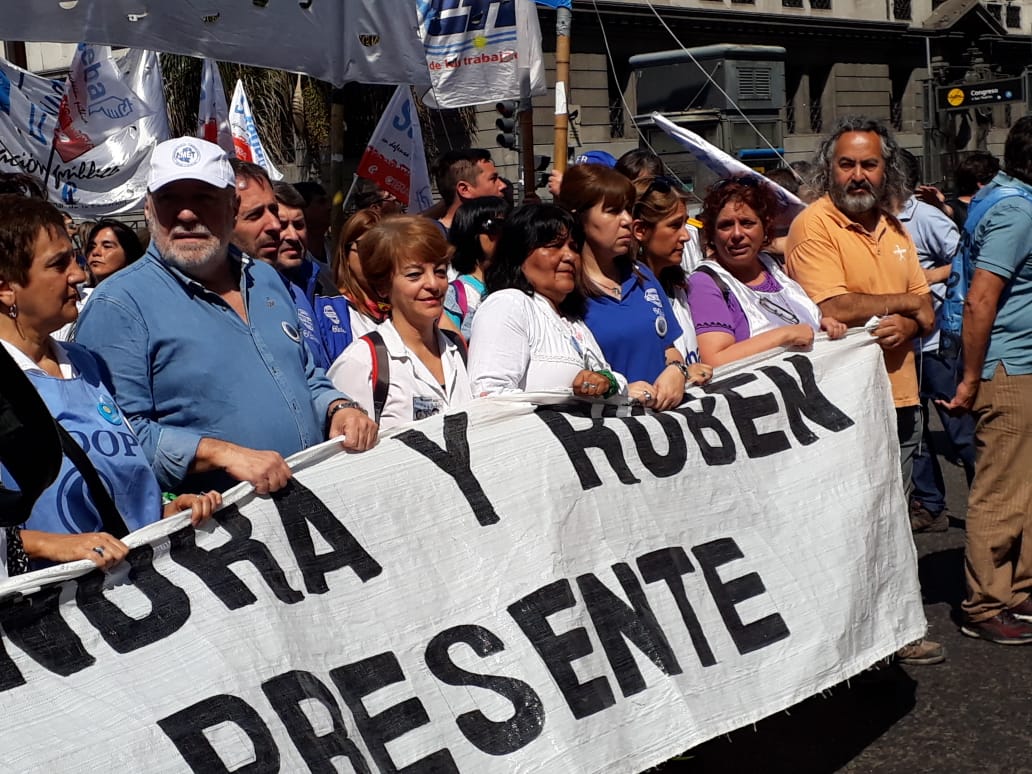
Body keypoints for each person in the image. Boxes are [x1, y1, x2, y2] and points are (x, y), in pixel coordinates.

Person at [75, 137, 377, 496]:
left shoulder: (265, 279)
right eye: (170, 199)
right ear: (148, 209)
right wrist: (219, 453)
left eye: (203, 198)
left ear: (232, 207)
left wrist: (338, 408)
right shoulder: (118, 305)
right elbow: (113, 438)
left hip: (310, 502)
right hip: (220, 524)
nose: (186, 214)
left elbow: (305, 374)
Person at [784, 116, 940, 666]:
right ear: (828, 169)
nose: (857, 175)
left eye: (868, 164)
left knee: (893, 518)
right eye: (846, 164)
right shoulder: (814, 225)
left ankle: (895, 628)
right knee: (854, 522)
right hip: (844, 405)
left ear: (885, 169)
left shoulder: (895, 229)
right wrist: (906, 305)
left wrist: (912, 321)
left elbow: (927, 308)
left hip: (900, 394)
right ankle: (860, 639)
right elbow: (835, 306)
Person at [0, 194, 220, 573]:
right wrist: (46, 545)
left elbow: (112, 481)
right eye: (58, 264)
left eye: (75, 258)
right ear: (5, 288)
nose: (78, 274)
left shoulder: (87, 364)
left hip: (138, 588)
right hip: (54, 602)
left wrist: (163, 513)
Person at [940, 117, 1032, 644]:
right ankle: (985, 605)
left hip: (1017, 364)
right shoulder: (1017, 211)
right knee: (1000, 490)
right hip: (1008, 368)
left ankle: (1017, 589)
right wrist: (972, 379)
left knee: (1024, 487)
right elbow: (980, 299)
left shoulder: (1002, 197)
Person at [468, 203, 656, 403]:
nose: (569, 256)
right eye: (554, 246)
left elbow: (607, 378)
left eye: (574, 247)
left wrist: (606, 383)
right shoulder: (507, 305)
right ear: (519, 254)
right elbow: (489, 397)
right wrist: (568, 396)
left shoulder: (574, 322)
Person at [558, 163, 705, 411]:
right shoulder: (565, 291)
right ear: (579, 217)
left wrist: (677, 371)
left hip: (664, 424)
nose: (627, 220)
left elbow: (668, 349)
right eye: (613, 211)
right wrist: (619, 390)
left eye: (627, 209)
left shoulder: (642, 276)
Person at [328, 217, 473, 430]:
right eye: (414, 275)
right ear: (383, 286)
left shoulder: (458, 349)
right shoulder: (361, 363)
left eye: (440, 271)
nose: (433, 284)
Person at [895, 151, 974, 533]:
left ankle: (991, 506)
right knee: (913, 433)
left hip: (938, 344)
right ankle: (930, 506)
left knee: (960, 431)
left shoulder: (925, 217)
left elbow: (966, 259)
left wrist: (927, 278)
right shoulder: (869, 222)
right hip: (898, 350)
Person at [687, 177, 846, 365]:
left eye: (747, 223)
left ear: (765, 227)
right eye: (726, 225)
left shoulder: (775, 267)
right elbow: (715, 360)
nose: (737, 234)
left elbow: (797, 324)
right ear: (712, 233)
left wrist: (820, 326)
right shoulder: (705, 283)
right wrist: (785, 335)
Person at [630, 174, 704, 365]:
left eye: (685, 223)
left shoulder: (680, 288)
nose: (686, 236)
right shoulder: (626, 300)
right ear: (640, 230)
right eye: (674, 225)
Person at [443, 196, 511, 340]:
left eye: (509, 225)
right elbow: (453, 346)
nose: (504, 233)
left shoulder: (521, 284)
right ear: (470, 232)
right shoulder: (456, 294)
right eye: (495, 225)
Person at [333, 208, 387, 339]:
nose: (374, 256)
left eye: (382, 248)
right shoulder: (336, 311)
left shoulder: (402, 307)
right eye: (365, 247)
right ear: (346, 255)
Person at [431, 148, 507, 234]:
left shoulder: (498, 230)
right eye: (493, 179)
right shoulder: (433, 239)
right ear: (464, 189)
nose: (503, 185)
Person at [83, 219, 145, 286]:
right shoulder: (84, 291)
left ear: (128, 252)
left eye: (107, 246)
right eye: (91, 247)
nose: (95, 252)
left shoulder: (142, 289)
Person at [294, 181, 333, 267]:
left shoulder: (335, 249)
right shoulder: (294, 258)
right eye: (321, 202)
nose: (329, 207)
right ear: (302, 209)